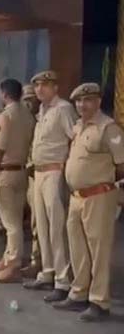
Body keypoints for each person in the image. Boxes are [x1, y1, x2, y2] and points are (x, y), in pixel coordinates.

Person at [53, 83, 124, 322]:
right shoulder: (78, 126)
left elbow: (121, 164)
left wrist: (111, 188)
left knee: (99, 250)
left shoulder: (108, 128)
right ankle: (79, 293)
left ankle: (99, 301)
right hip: (77, 197)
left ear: (98, 102)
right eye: (78, 101)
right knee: (78, 248)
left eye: (88, 100)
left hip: (99, 196)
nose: (82, 105)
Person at [24, 70, 77, 303]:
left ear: (55, 87)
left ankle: (63, 280)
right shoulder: (42, 111)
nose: (39, 89)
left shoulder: (63, 109)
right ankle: (47, 272)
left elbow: (74, 138)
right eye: (37, 86)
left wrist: (68, 168)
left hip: (55, 171)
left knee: (57, 227)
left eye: (45, 85)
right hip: (38, 172)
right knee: (42, 227)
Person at [0, 79, 35, 283]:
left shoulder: (5, 116)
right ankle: (7, 259)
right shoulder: (28, 115)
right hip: (22, 172)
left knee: (11, 223)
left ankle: (12, 265)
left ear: (4, 94)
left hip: (6, 173)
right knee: (15, 220)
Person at [21, 84, 42, 278]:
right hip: (26, 176)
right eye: (25, 100)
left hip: (39, 176)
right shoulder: (23, 121)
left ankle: (38, 261)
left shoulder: (43, 120)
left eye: (31, 100)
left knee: (39, 222)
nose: (28, 104)